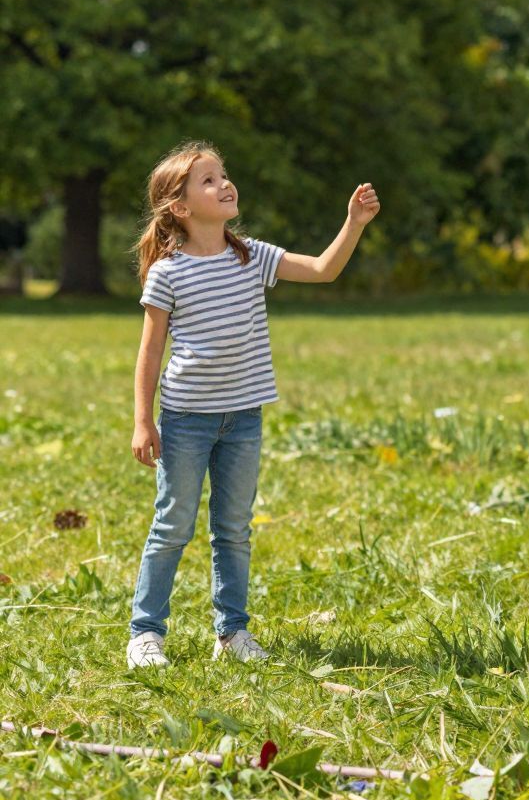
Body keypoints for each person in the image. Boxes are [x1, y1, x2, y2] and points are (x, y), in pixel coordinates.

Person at [126, 143, 379, 668]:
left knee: (234, 529)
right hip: (186, 422)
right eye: (209, 180)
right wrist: (142, 420)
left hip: (243, 419)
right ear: (181, 207)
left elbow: (323, 269)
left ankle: (232, 634)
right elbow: (150, 353)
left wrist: (353, 223)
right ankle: (146, 633)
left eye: (224, 175)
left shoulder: (251, 255)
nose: (225, 184)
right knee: (173, 525)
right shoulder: (168, 273)